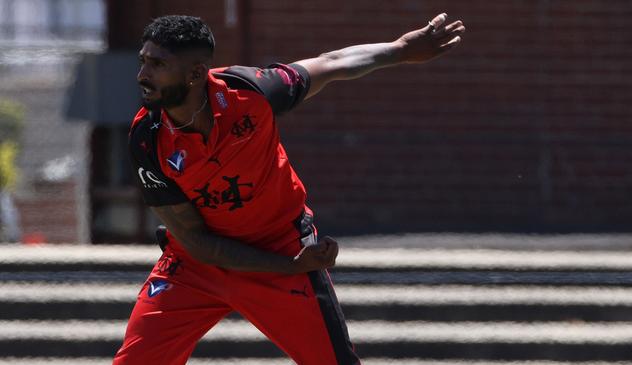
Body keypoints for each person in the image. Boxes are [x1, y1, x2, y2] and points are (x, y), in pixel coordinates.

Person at [115, 13, 465, 365]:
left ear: (195, 74)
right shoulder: (147, 139)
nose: (142, 75)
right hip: (198, 265)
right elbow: (199, 244)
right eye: (143, 61)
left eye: (157, 64)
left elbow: (333, 63)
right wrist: (287, 266)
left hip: (280, 244)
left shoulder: (252, 91)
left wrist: (401, 49)